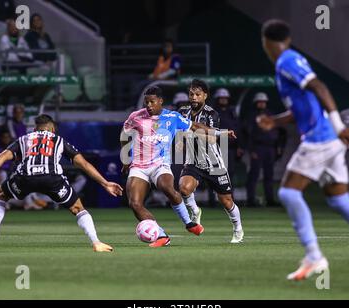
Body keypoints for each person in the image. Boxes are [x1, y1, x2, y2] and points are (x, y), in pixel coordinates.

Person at [258, 19, 349, 282]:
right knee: (339, 199)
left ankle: (313, 255)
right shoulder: (290, 61)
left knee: (288, 192)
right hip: (329, 141)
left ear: (266, 42)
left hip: (320, 139)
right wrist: (274, 121)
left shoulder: (287, 61)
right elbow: (303, 105)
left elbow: (319, 87)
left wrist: (338, 125)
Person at [0, 114, 123, 253]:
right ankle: (96, 242)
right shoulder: (59, 140)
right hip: (52, 179)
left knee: (1, 195)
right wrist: (105, 183)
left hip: (26, 178)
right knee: (78, 208)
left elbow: (3, 155)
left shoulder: (25, 138)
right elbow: (84, 164)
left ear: (35, 129)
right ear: (53, 129)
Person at [121, 86, 234, 247]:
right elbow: (125, 134)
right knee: (134, 203)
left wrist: (219, 133)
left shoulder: (172, 117)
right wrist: (126, 160)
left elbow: (195, 126)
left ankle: (189, 223)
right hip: (138, 166)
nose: (149, 105)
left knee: (167, 188)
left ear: (161, 101)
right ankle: (161, 235)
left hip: (160, 164)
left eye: (152, 102)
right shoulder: (136, 117)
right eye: (146, 102)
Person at [177, 79, 244, 244]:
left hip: (213, 163)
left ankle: (238, 228)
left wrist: (191, 131)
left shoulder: (211, 114)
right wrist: (180, 139)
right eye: (191, 94)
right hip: (193, 161)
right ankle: (195, 211)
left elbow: (212, 140)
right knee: (184, 188)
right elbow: (179, 131)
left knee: (226, 201)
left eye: (197, 94)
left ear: (205, 96)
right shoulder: (182, 111)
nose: (193, 97)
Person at [238, 92, 283, 207]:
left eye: (263, 102)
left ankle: (270, 200)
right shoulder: (251, 116)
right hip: (258, 148)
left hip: (270, 148)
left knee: (269, 175)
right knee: (254, 175)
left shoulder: (270, 115)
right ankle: (251, 200)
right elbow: (247, 134)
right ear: (256, 103)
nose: (262, 104)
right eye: (260, 102)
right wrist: (251, 150)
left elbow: (278, 131)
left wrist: (278, 147)